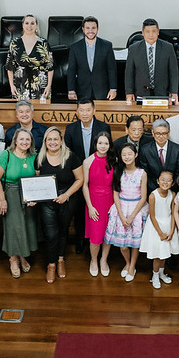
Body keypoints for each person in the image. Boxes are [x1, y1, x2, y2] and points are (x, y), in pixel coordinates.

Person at [34, 126, 84, 283]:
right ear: (45, 141)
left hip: (67, 198)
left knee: (63, 231)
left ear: (61, 140)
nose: (53, 142)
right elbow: (37, 182)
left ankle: (61, 260)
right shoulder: (39, 158)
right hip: (47, 201)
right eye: (49, 139)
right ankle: (51, 265)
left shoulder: (71, 157)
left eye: (56, 139)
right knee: (50, 234)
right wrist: (34, 197)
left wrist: (66, 195)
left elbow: (80, 179)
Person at [65, 99, 112, 253]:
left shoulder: (103, 127)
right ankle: (81, 239)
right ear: (77, 112)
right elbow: (68, 153)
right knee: (79, 209)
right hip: (79, 174)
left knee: (99, 212)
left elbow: (107, 149)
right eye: (81, 110)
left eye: (87, 110)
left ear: (94, 110)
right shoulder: (71, 129)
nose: (84, 113)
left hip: (98, 173)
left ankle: (100, 240)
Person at [0, 128, 37, 278]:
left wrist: (35, 197)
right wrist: (2, 199)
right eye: (21, 139)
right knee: (13, 228)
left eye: (27, 139)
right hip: (10, 194)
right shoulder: (6, 155)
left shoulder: (34, 156)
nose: (24, 142)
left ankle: (22, 255)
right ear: (15, 141)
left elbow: (38, 179)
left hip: (28, 196)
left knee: (26, 226)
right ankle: (13, 259)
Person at [105, 143, 148, 282]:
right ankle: (127, 263)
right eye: (124, 154)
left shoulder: (142, 173)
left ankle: (132, 266)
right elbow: (115, 194)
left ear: (135, 155)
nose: (127, 157)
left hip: (136, 208)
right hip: (121, 207)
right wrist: (122, 215)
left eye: (130, 154)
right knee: (123, 245)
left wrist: (133, 215)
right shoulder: (118, 171)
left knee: (134, 242)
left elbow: (143, 197)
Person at [82, 131, 115, 277]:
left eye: (106, 143)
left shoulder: (114, 160)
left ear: (109, 145)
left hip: (110, 200)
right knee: (96, 236)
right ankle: (94, 260)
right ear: (95, 144)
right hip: (94, 201)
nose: (103, 146)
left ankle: (104, 260)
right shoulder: (88, 161)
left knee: (108, 234)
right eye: (100, 143)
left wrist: (115, 205)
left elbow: (116, 184)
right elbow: (85, 185)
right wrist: (90, 206)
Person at [125, 18, 179, 102]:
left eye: (154, 31)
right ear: (142, 33)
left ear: (158, 32)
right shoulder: (134, 49)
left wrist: (174, 91)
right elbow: (129, 73)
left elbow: (173, 72)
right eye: (147, 31)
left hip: (162, 92)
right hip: (140, 93)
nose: (151, 35)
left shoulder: (168, 48)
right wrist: (129, 92)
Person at [139, 170, 177, 289]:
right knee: (157, 255)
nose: (165, 182)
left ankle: (161, 273)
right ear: (157, 181)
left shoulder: (173, 194)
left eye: (168, 180)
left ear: (172, 183)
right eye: (163, 179)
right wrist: (160, 232)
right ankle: (155, 275)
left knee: (165, 253)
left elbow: (173, 213)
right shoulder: (153, 195)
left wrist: (171, 230)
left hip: (168, 224)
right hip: (156, 227)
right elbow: (152, 216)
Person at [4, 14, 54, 100]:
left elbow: (50, 66)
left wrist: (48, 86)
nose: (29, 26)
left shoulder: (43, 43)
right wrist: (12, 86)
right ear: (23, 25)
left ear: (36, 25)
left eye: (32, 23)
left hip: (41, 86)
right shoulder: (15, 43)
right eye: (27, 23)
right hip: (20, 86)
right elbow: (10, 67)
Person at [67, 16, 117, 100]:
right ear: (83, 29)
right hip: (82, 90)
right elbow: (71, 70)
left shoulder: (107, 46)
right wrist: (71, 90)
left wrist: (113, 89)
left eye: (93, 28)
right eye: (87, 28)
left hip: (102, 90)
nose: (90, 31)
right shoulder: (75, 47)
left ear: (97, 29)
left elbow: (112, 69)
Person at [140, 119, 179, 194]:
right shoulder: (145, 150)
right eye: (158, 133)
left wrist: (169, 188)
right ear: (153, 133)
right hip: (152, 192)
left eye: (164, 133)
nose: (161, 137)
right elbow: (145, 174)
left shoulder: (178, 149)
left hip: (173, 191)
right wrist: (157, 191)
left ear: (168, 133)